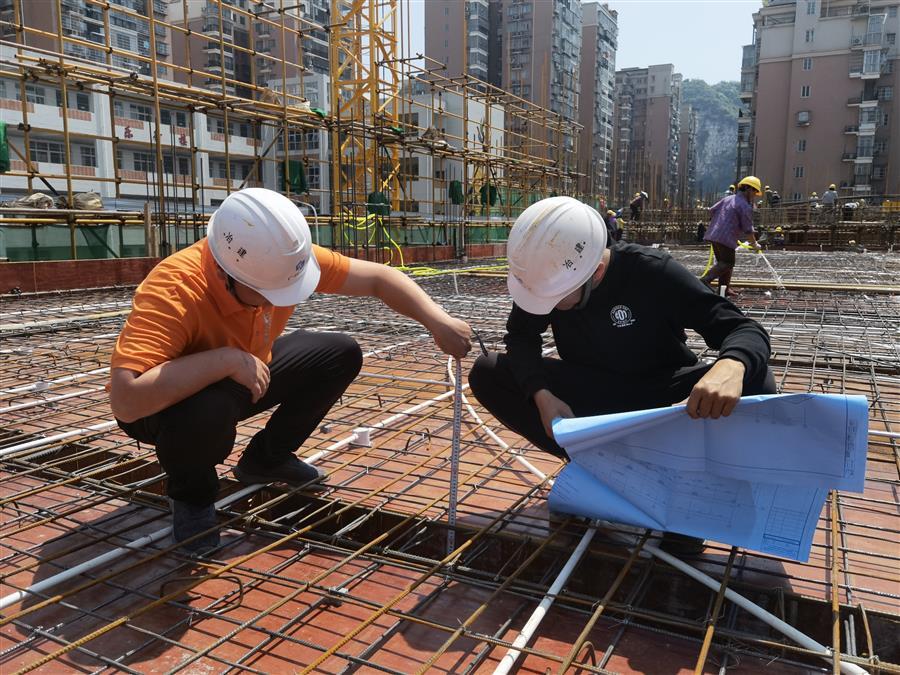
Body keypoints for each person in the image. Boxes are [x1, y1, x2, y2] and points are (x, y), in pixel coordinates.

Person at [109, 188, 472, 553]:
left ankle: (267, 459)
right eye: (267, 293)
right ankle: (193, 495)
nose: (278, 300)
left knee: (338, 353)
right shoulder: (176, 287)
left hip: (246, 372)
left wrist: (437, 321)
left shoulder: (277, 259)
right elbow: (126, 400)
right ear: (224, 275)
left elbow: (378, 279)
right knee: (209, 410)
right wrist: (226, 360)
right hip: (165, 402)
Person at [468, 196, 775, 554]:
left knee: (757, 382)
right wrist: (542, 395)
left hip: (663, 400)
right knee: (488, 372)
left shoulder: (652, 271)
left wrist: (731, 365)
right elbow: (521, 336)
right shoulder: (549, 278)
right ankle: (598, 468)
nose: (547, 306)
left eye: (556, 298)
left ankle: (685, 491)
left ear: (595, 272)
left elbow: (743, 329)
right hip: (597, 394)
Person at [699, 175, 763, 298]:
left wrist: (719, 222)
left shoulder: (728, 199)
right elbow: (748, 228)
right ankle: (704, 281)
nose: (755, 196)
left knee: (725, 263)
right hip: (725, 237)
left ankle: (724, 289)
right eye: (755, 192)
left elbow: (712, 211)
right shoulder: (744, 205)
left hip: (714, 233)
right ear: (749, 189)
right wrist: (754, 244)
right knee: (728, 262)